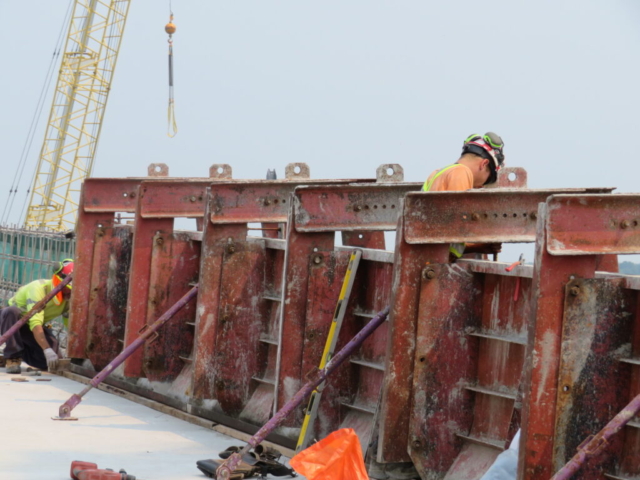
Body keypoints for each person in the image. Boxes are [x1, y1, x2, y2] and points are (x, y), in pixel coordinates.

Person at [423, 132, 506, 258]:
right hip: (435, 263)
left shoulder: (437, 173)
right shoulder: (461, 172)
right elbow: (459, 226)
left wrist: (479, 247)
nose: (482, 186)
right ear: (483, 164)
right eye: (488, 178)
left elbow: (442, 237)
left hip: (427, 256)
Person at [1, 259, 73, 374]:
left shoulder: (68, 299)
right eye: (68, 290)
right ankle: (12, 357)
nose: (70, 293)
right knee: (11, 311)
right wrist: (46, 349)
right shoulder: (38, 288)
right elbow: (35, 322)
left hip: (30, 327)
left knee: (50, 362)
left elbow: (70, 325)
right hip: (10, 322)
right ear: (59, 282)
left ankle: (12, 355)